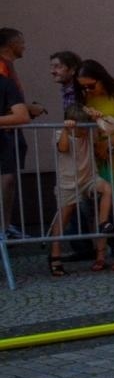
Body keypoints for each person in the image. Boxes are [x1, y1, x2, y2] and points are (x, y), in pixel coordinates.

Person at [77, 59, 114, 271]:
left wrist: (109, 143)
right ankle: (100, 255)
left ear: (101, 79)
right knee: (99, 207)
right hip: (96, 156)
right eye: (83, 86)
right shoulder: (86, 98)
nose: (87, 89)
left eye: (91, 85)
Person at [45, 105, 112, 276]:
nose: (84, 132)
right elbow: (64, 148)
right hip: (68, 182)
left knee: (106, 188)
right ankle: (55, 257)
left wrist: (98, 117)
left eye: (85, 128)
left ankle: (104, 223)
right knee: (64, 217)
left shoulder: (89, 132)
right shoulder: (61, 134)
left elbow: (110, 129)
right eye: (81, 129)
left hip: (89, 177)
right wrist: (68, 130)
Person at [0, 28, 48, 239]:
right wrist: (26, 111)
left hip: (11, 131)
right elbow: (6, 103)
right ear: (9, 45)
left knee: (9, 179)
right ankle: (3, 226)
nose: (24, 46)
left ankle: (6, 225)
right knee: (6, 178)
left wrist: (26, 108)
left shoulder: (8, 67)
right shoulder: (2, 68)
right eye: (21, 42)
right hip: (5, 133)